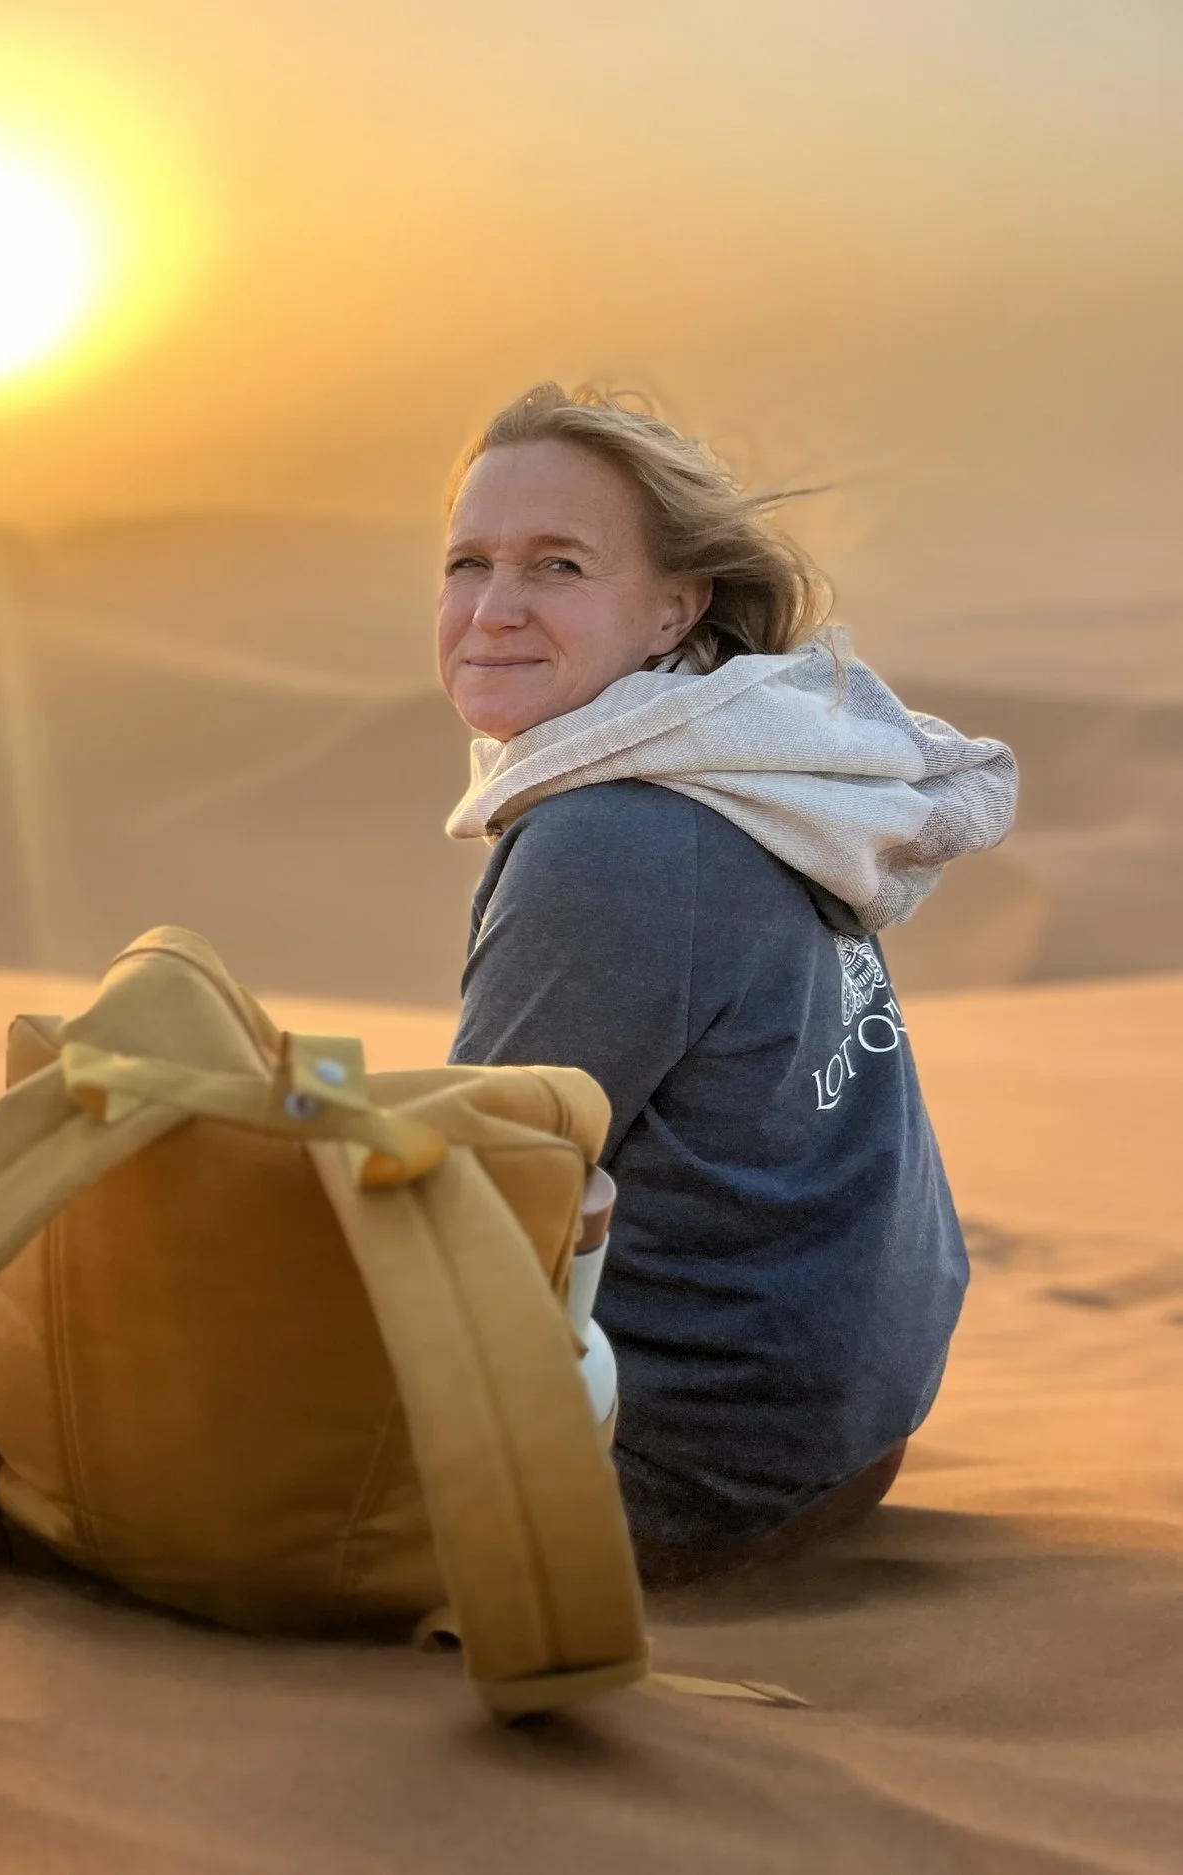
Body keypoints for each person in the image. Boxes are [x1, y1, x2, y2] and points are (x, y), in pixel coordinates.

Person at [435, 383, 1019, 1586]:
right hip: (840, 1432)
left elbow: (470, 1211)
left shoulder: (616, 838)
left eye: (555, 566)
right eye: (467, 562)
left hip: (679, 1471)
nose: (491, 609)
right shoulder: (755, 767)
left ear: (671, 610)